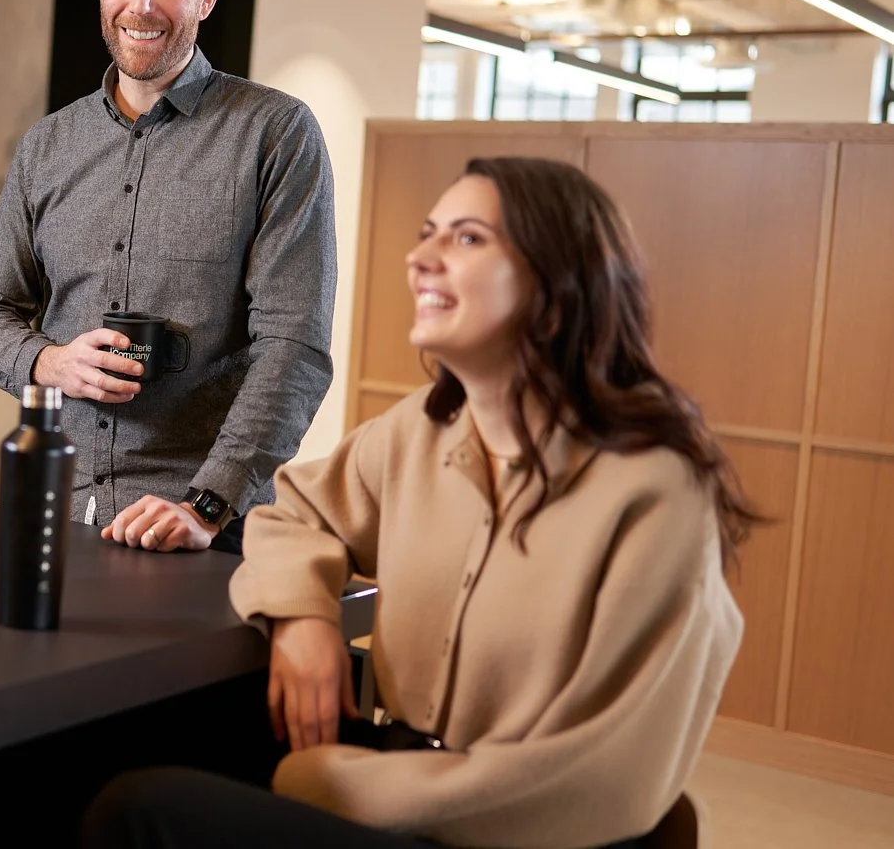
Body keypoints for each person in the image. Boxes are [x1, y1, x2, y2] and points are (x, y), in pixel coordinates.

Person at [82, 157, 760, 849]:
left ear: (558, 285)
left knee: (143, 811)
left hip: (509, 829)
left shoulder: (655, 488)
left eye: (466, 239)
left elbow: (597, 779)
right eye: (428, 233)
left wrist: (337, 784)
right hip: (404, 765)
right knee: (128, 746)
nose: (420, 258)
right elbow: (297, 513)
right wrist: (302, 618)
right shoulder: (423, 429)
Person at [0, 0, 337, 555]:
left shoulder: (275, 134)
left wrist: (208, 503)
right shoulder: (48, 145)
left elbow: (295, 348)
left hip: (203, 529)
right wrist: (49, 361)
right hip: (58, 504)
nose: (141, 4)